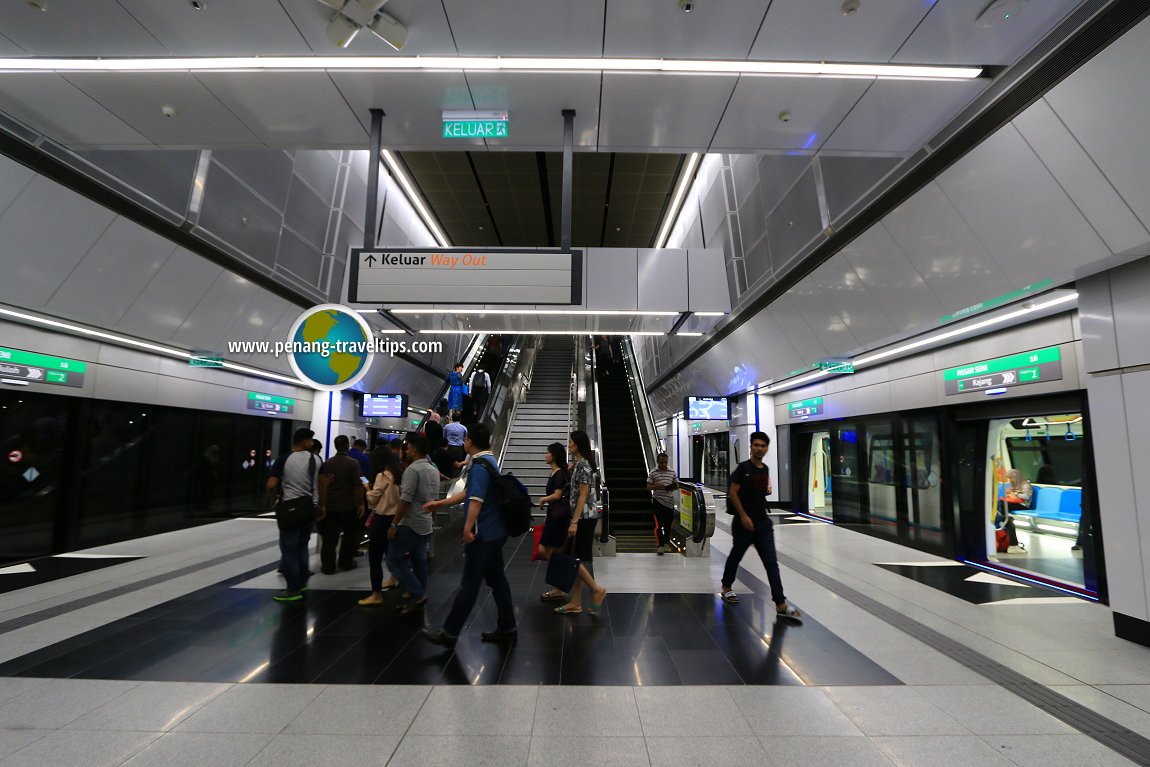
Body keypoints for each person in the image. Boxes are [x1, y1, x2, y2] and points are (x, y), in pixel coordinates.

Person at [423, 423, 517, 647]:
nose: (464, 443)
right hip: (495, 531)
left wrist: (467, 528)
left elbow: (475, 500)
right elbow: (468, 492)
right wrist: (441, 502)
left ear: (470, 442)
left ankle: (450, 632)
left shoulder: (479, 466)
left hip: (483, 534)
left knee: (470, 582)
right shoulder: (488, 461)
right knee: (497, 580)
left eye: (466, 439)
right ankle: (508, 626)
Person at [720, 431, 801, 621]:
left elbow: (761, 493)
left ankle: (780, 603)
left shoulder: (765, 469)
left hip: (762, 524)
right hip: (743, 523)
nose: (759, 448)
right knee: (736, 555)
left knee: (771, 562)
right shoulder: (743, 468)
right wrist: (743, 516)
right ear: (751, 447)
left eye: (763, 446)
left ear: (766, 448)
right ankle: (726, 587)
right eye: (756, 445)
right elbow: (733, 493)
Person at [555, 431, 608, 615]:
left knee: (576, 559)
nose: (568, 445)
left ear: (577, 444)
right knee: (578, 558)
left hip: (584, 518)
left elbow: (584, 495)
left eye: (570, 442)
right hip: (582, 517)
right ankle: (576, 602)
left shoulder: (584, 464)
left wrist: (575, 521)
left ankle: (596, 589)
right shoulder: (579, 464)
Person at [388, 434, 438, 615]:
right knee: (419, 562)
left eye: (408, 448)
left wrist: (393, 525)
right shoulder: (432, 469)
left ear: (414, 451)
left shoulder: (412, 471)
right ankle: (418, 597)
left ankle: (416, 594)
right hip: (425, 523)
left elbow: (405, 500)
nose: (406, 450)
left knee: (393, 560)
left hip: (410, 524)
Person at [271, 428, 320, 602]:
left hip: (290, 508)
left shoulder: (283, 459)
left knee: (289, 549)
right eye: (310, 440)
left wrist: (275, 498)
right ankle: (302, 582)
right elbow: (322, 484)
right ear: (304, 441)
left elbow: (271, 484)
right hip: (309, 508)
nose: (312, 443)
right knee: (302, 546)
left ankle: (293, 589)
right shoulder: (316, 459)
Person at [359, 443, 403, 605]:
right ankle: (396, 579)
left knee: (375, 558)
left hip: (382, 519)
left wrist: (366, 489)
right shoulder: (399, 473)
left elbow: (373, 498)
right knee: (392, 554)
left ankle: (376, 594)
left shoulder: (382, 476)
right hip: (395, 519)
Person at [318, 435, 367, 574]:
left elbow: (322, 483)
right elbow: (358, 485)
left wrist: (323, 504)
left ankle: (328, 566)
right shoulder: (354, 463)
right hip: (348, 505)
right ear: (347, 446)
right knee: (350, 535)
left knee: (329, 537)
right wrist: (361, 503)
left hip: (331, 504)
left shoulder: (327, 463)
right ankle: (345, 562)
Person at [538, 442, 572, 601]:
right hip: (555, 517)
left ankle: (559, 586)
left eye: (548, 452)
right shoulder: (555, 473)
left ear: (555, 456)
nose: (545, 455)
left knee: (547, 550)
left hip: (558, 519)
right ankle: (558, 586)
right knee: (552, 552)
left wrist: (543, 499)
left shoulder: (558, 474)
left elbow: (557, 495)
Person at [647, 452, 678, 555]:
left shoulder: (672, 472)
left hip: (669, 502)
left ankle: (666, 543)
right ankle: (660, 545)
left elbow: (677, 484)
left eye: (665, 462)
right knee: (659, 524)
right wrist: (657, 486)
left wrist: (671, 487)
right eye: (661, 462)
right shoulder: (653, 473)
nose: (663, 464)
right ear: (657, 462)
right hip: (658, 501)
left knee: (668, 524)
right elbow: (648, 487)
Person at [996, 468, 1033, 552]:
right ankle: (1002, 517)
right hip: (1014, 503)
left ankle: (1003, 517)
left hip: (1023, 505)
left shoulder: (1026, 485)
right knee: (1002, 503)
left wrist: (1015, 494)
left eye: (1011, 478)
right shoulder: (1013, 485)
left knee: (1005, 504)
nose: (1011, 480)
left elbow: (1026, 496)